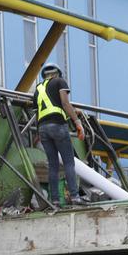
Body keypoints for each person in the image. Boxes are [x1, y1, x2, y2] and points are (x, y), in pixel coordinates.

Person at [32, 63, 87, 206]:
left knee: (53, 165)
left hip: (43, 128)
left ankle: (54, 200)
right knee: (69, 162)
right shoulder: (59, 81)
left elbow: (38, 112)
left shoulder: (38, 89)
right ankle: (75, 197)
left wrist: (38, 132)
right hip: (58, 125)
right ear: (57, 74)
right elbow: (65, 103)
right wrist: (77, 122)